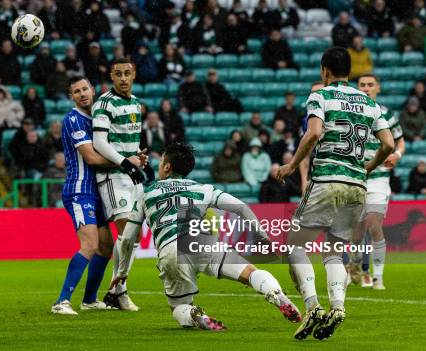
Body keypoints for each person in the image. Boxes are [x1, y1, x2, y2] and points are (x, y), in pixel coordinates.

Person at [111, 142, 301, 330]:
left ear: (167, 166)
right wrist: (262, 236)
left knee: (178, 306)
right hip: (200, 242)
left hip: (169, 250)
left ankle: (196, 316)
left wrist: (122, 272)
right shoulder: (203, 189)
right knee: (250, 273)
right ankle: (275, 293)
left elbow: (128, 239)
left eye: (161, 162)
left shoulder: (146, 193)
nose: (159, 165)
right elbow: (241, 207)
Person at [276, 47, 393, 340]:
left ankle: (313, 306)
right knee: (333, 251)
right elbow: (389, 144)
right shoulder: (369, 103)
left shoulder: (321, 95)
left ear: (324, 71)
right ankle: (338, 306)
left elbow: (314, 133)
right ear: (350, 72)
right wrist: (369, 166)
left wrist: (291, 165)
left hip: (328, 179)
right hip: (357, 186)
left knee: (294, 246)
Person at [52, 76, 129, 315]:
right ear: (72, 97)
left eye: (85, 88)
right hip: (79, 190)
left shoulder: (99, 118)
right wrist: (126, 163)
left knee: (106, 246)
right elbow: (92, 158)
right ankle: (61, 301)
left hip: (98, 189)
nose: (82, 93)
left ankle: (89, 300)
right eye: (77, 91)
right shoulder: (73, 119)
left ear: (93, 90)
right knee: (90, 244)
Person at [92, 58, 147, 311]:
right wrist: (126, 162)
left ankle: (115, 289)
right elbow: (100, 143)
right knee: (126, 232)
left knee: (133, 238)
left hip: (131, 174)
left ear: (134, 75)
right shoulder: (103, 103)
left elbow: (130, 142)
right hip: (113, 176)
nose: (123, 78)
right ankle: (120, 290)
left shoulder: (135, 103)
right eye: (118, 74)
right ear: (111, 76)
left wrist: (138, 157)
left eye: (127, 73)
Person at [345, 73, 406, 290]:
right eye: (362, 85)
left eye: (370, 85)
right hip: (356, 177)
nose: (366, 88)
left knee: (374, 224)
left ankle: (378, 277)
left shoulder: (387, 115)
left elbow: (400, 142)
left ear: (377, 88)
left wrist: (397, 156)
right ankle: (355, 268)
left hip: (379, 179)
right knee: (357, 232)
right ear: (356, 88)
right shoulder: (350, 115)